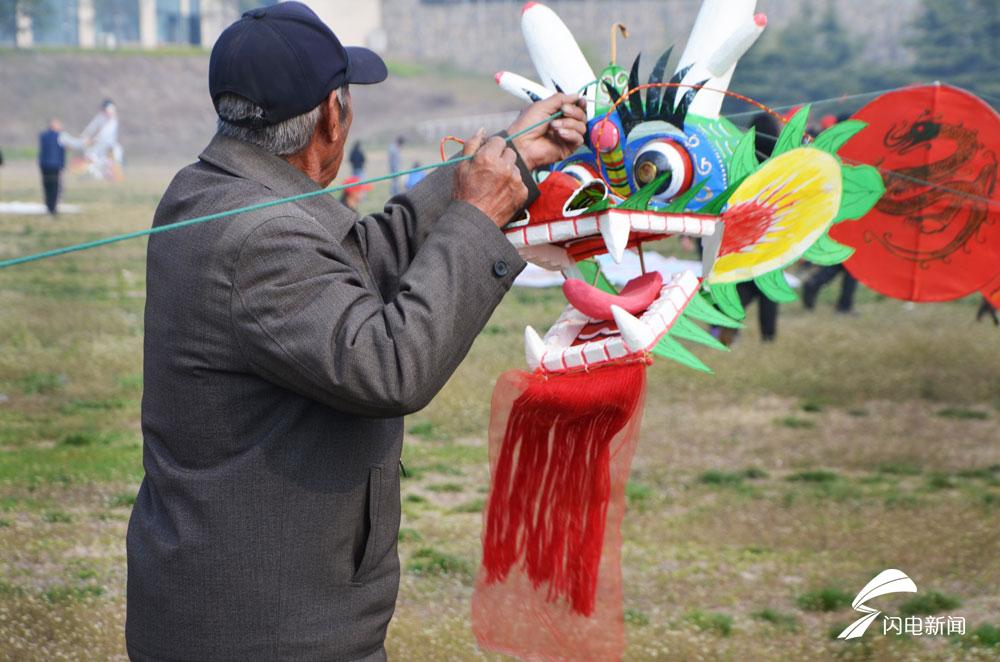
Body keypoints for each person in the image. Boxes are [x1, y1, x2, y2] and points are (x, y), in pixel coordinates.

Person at [126, 3, 586, 661]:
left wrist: (502, 157)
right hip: (268, 634)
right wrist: (478, 214)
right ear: (332, 115)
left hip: (238, 609)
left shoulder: (213, 190)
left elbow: (354, 263)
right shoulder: (262, 236)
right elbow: (391, 365)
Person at [38, 119, 67, 215]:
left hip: (44, 165)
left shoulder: (43, 136)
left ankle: (48, 206)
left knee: (47, 186)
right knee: (55, 187)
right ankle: (53, 208)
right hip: (55, 165)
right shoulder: (60, 136)